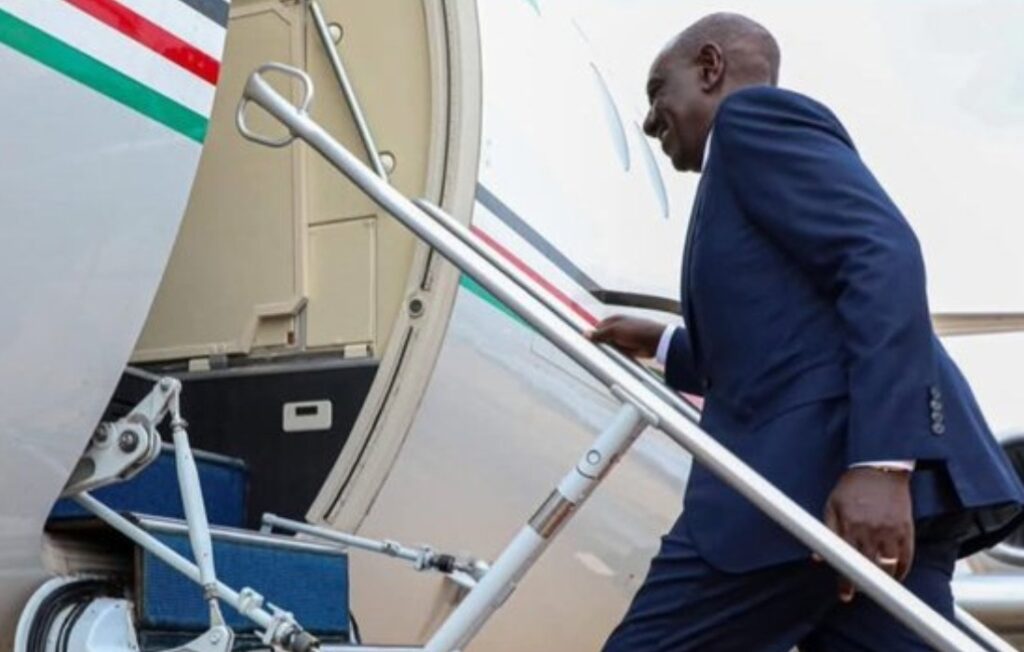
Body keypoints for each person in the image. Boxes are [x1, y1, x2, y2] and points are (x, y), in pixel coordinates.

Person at [591, 13, 1024, 652]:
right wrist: (662, 344)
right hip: (874, 495)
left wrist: (879, 464)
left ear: (710, 68)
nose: (651, 121)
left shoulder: (750, 123)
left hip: (809, 487)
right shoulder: (744, 177)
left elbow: (881, 253)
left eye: (659, 93)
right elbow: (785, 348)